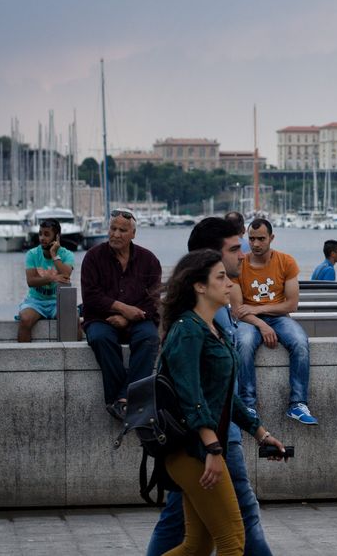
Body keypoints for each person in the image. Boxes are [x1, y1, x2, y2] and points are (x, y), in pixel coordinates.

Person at [147, 217, 276, 556]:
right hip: (194, 448)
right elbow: (192, 395)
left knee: (196, 544)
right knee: (233, 540)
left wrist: (259, 431)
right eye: (220, 277)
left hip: (204, 444)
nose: (230, 282)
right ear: (199, 286)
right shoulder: (189, 329)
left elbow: (223, 394)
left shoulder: (211, 327)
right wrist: (214, 450)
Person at [233, 218, 317, 425]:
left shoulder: (285, 261)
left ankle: (297, 404)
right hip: (249, 320)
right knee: (242, 344)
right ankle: (248, 405)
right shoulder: (239, 264)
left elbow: (291, 304)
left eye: (261, 239)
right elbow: (237, 311)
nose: (256, 244)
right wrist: (261, 324)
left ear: (271, 238)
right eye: (252, 239)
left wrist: (259, 308)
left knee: (299, 342)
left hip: (279, 317)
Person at [80, 207, 162, 421]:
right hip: (102, 317)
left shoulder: (149, 259)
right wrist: (121, 307)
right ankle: (127, 398)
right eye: (113, 228)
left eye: (122, 230)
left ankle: (122, 399)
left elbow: (154, 299)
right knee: (100, 338)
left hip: (139, 317)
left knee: (150, 338)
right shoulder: (93, 257)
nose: (116, 234)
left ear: (133, 234)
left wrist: (128, 317)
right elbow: (91, 296)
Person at [16, 218, 75, 342]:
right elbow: (31, 281)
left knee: (73, 320)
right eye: (40, 234)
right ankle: (24, 359)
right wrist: (53, 278)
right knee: (25, 319)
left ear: (57, 237)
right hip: (35, 301)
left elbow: (66, 275)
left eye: (47, 234)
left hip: (58, 301)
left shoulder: (67, 255)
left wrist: (54, 255)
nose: (42, 238)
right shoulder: (32, 254)